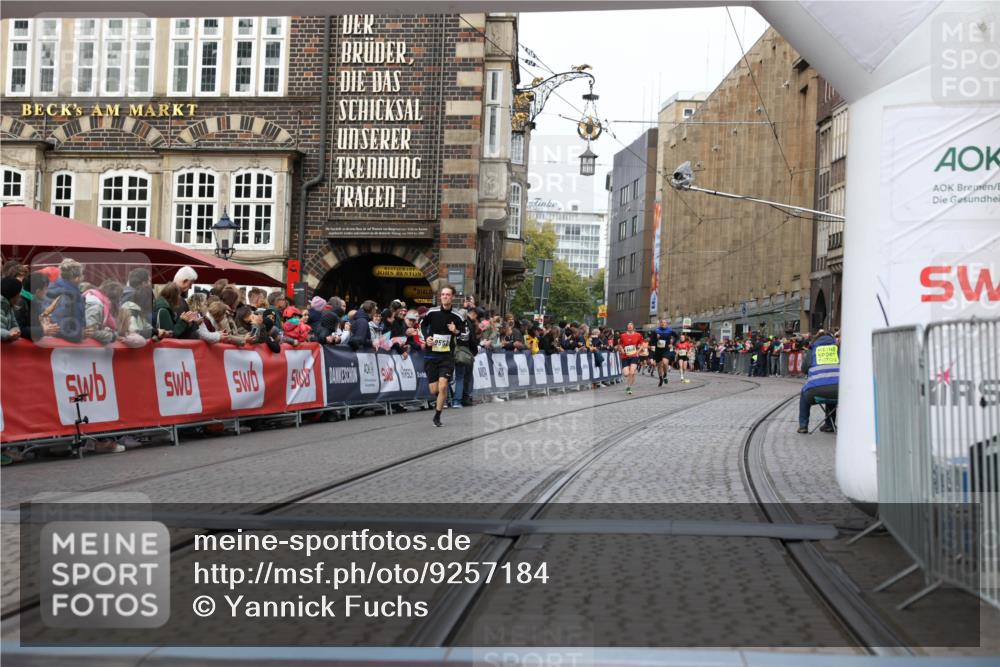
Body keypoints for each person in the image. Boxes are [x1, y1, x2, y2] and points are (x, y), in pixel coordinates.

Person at [420, 285, 464, 427]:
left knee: (443, 386)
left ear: (453, 297)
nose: (445, 296)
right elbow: (421, 325)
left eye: (448, 294)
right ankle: (441, 399)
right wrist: (426, 338)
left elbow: (466, 335)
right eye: (443, 294)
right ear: (441, 297)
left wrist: (455, 331)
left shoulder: (458, 316)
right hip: (431, 356)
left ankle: (437, 416)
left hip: (446, 356)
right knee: (435, 389)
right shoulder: (432, 312)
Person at [798, 330, 840, 434]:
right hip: (839, 392)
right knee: (832, 389)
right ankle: (829, 425)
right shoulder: (839, 349)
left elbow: (804, 369)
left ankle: (803, 426)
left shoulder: (812, 350)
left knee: (804, 393)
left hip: (815, 391)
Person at [14, 271, 60, 341]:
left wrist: (46, 325)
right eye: (45, 288)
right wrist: (41, 330)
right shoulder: (21, 303)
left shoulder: (33, 301)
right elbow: (18, 328)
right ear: (38, 291)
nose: (47, 291)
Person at [452, 306, 481, 408]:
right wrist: (474, 350)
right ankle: (459, 400)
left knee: (448, 377)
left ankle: (447, 400)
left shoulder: (453, 323)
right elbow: (470, 339)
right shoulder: (467, 324)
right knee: (462, 377)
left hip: (451, 351)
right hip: (464, 353)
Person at [617, 322, 643, 395]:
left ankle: (628, 387)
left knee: (631, 372)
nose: (629, 327)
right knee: (626, 374)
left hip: (634, 356)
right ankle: (632, 376)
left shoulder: (638, 335)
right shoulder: (623, 335)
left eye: (631, 326)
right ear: (627, 327)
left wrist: (638, 351)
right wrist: (621, 349)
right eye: (628, 326)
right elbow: (619, 344)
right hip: (625, 356)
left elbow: (642, 344)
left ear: (633, 327)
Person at [650, 318, 674, 387]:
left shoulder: (670, 330)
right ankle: (661, 378)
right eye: (661, 322)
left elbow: (676, 336)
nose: (663, 323)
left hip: (666, 349)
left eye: (664, 322)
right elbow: (651, 341)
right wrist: (656, 338)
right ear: (660, 324)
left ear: (666, 324)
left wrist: (672, 343)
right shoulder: (656, 331)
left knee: (665, 362)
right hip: (658, 350)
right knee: (659, 365)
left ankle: (665, 375)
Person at [1, 277, 22, 343]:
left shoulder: (8, 305)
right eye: (19, 293)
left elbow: (14, 324)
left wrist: (16, 331)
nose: (20, 296)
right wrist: (8, 334)